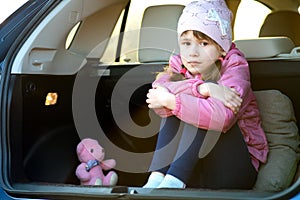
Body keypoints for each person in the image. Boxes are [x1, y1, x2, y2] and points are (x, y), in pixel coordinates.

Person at [143, 0, 269, 189]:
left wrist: (177, 98)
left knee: (194, 106)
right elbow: (157, 96)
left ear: (221, 47)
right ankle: (157, 178)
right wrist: (202, 88)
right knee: (175, 103)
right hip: (196, 168)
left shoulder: (235, 67)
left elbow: (222, 118)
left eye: (203, 43)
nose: (192, 52)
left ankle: (173, 182)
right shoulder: (179, 63)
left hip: (233, 168)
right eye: (186, 43)